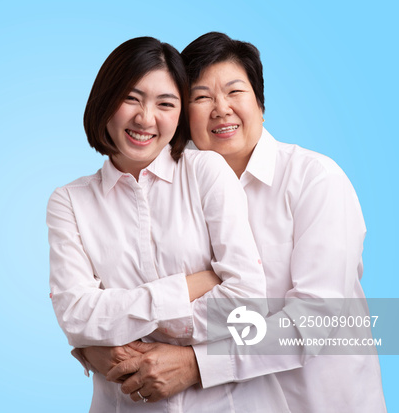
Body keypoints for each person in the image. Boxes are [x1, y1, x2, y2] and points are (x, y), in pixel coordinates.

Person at [87, 32, 387, 412]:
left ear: (260, 104)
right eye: (201, 97)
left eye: (234, 92)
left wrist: (197, 363)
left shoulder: (315, 180)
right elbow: (125, 298)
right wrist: (91, 345)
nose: (220, 109)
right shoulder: (157, 188)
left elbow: (317, 317)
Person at [47, 36, 289, 412]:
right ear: (105, 101)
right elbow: (76, 315)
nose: (146, 118)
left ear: (179, 115)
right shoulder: (70, 202)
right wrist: (193, 285)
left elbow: (248, 303)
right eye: (131, 98)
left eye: (165, 103)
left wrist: (114, 333)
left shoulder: (206, 171)